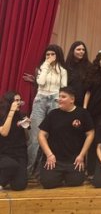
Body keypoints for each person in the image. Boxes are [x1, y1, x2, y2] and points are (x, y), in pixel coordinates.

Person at [38, 87, 94, 189]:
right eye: (59, 96)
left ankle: (65, 176)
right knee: (48, 183)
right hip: (55, 160)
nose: (59, 99)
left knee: (76, 182)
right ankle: (58, 176)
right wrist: (49, 155)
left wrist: (81, 155)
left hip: (74, 160)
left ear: (72, 100)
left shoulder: (82, 113)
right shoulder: (53, 114)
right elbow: (41, 135)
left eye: (63, 97)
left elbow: (90, 134)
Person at [27, 44, 68, 174]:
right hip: (40, 100)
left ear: (58, 55)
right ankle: (28, 170)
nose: (50, 56)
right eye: (47, 54)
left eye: (52, 54)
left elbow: (64, 88)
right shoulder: (41, 67)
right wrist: (46, 65)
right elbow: (41, 82)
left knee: (50, 137)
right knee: (34, 138)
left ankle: (42, 170)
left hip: (55, 100)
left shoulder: (63, 71)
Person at [0, 92, 29, 190]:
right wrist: (11, 111)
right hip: (4, 153)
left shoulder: (21, 114)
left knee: (19, 186)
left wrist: (26, 126)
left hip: (19, 153)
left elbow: (27, 138)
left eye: (20, 100)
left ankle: (10, 176)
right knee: (10, 164)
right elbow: (4, 132)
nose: (19, 103)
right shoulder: (1, 116)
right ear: (9, 102)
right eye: (16, 100)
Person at [65, 40, 92, 107]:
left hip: (82, 101)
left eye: (83, 50)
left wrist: (84, 106)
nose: (81, 51)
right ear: (72, 51)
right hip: (68, 99)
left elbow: (89, 89)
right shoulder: (66, 66)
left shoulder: (89, 67)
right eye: (78, 49)